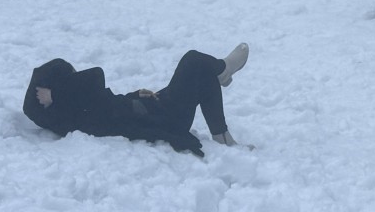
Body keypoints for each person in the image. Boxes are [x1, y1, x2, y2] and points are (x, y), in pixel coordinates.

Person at [23, 44, 250, 157]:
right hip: (166, 118)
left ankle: (222, 137)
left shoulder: (81, 105)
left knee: (202, 72)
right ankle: (224, 69)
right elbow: (95, 75)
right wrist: (57, 95)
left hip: (158, 106)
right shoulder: (74, 116)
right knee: (193, 61)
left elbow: (109, 104)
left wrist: (134, 95)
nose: (77, 76)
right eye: (71, 76)